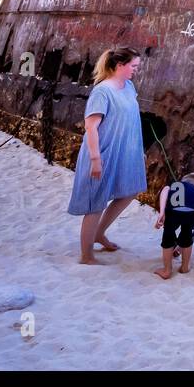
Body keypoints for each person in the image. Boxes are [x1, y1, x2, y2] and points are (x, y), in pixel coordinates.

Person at [68, 48, 148, 265]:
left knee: (130, 190)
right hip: (102, 152)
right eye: (133, 66)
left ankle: (99, 233)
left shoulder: (129, 87)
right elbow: (91, 127)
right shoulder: (102, 92)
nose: (135, 70)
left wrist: (137, 150)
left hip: (124, 152)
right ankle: (86, 256)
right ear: (119, 65)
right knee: (96, 202)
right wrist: (95, 159)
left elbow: (130, 120)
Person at [153, 171, 194, 279]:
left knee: (168, 236)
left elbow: (165, 190)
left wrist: (162, 212)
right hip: (192, 212)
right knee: (187, 235)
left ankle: (167, 270)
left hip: (173, 210)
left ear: (182, 181)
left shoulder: (176, 185)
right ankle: (185, 267)